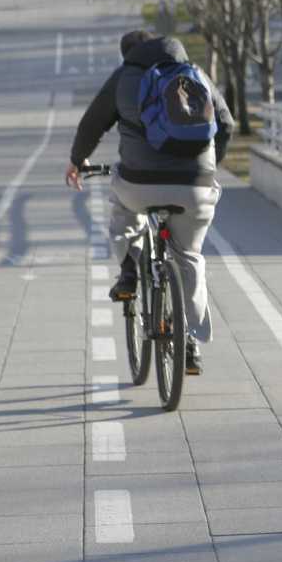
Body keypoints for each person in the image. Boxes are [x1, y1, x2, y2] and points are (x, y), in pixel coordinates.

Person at [65, 30, 235, 375]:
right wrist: (208, 168)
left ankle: (129, 271)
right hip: (196, 187)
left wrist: (78, 160)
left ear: (128, 54)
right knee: (189, 257)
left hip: (139, 182)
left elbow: (92, 124)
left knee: (124, 208)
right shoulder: (196, 73)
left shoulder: (125, 77)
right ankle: (190, 342)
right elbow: (227, 123)